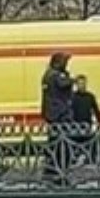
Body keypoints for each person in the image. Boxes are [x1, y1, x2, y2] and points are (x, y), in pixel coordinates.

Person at [40, 53, 76, 184]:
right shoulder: (54, 75)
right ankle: (57, 174)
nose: (66, 64)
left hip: (54, 115)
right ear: (57, 62)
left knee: (55, 144)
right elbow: (63, 84)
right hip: (59, 116)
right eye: (65, 61)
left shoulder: (49, 74)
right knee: (61, 146)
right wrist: (73, 80)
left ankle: (52, 172)